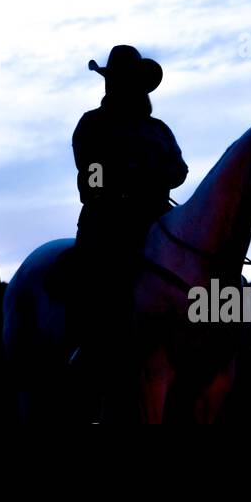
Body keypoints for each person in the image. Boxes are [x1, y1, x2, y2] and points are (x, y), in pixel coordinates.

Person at [69, 45, 187, 387]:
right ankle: (87, 348)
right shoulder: (92, 124)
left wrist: (158, 175)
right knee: (100, 278)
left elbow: (179, 169)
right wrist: (129, 177)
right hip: (107, 218)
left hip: (157, 216)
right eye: (119, 81)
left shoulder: (159, 130)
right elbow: (90, 174)